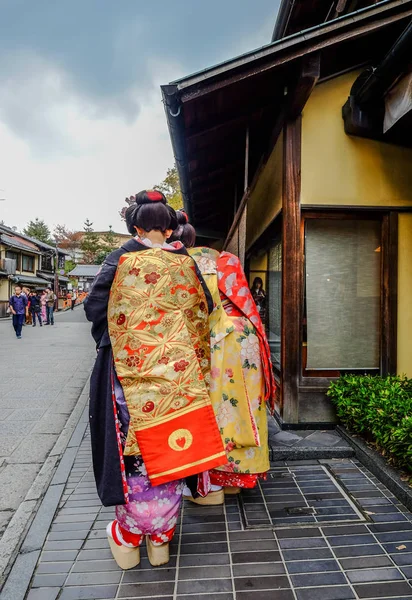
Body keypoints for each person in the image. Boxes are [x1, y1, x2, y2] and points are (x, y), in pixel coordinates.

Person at [84, 191, 225, 570]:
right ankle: (161, 538)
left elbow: (95, 306)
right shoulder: (185, 262)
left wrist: (123, 335)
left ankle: (128, 537)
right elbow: (205, 310)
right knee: (172, 446)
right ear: (169, 226)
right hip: (178, 374)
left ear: (135, 226)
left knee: (133, 450)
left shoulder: (120, 258)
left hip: (129, 371)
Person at [170, 212, 275, 500]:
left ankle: (212, 482)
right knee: (247, 408)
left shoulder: (175, 263)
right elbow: (244, 300)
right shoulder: (222, 258)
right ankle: (237, 478)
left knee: (215, 410)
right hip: (244, 338)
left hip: (212, 339)